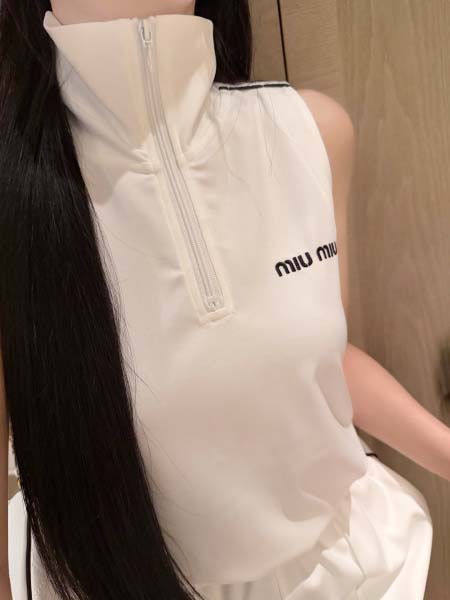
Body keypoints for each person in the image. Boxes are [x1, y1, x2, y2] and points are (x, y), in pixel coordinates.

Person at [3, 0, 448, 598]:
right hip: (120, 578)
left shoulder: (311, 131)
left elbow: (321, 363)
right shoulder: (17, 191)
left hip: (355, 568)